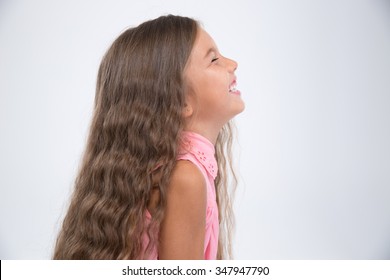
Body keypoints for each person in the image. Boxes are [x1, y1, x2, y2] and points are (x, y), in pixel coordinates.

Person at [53, 14, 244, 260]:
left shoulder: (188, 170)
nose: (232, 63)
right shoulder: (185, 178)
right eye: (214, 59)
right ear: (180, 101)